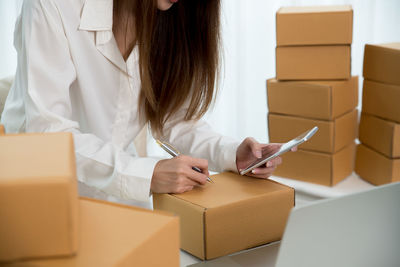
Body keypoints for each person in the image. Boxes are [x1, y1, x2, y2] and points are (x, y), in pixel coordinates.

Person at [1, 0, 289, 207]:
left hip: (113, 195)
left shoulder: (169, 17)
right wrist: (146, 174)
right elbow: (49, 134)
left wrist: (231, 153)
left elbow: (173, 120)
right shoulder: (52, 5)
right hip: (35, 192)